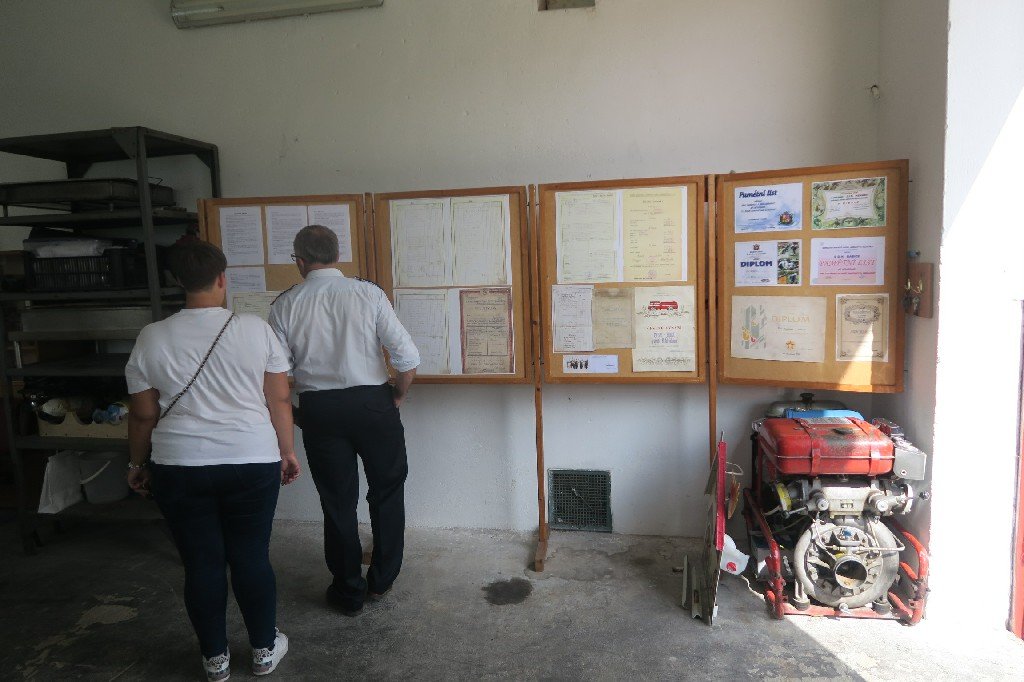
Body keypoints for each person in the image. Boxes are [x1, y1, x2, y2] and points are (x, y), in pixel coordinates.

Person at [125, 241, 301, 681]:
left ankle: (215, 660)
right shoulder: (255, 330)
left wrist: (136, 464)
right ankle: (263, 651)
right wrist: (286, 451)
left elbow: (143, 414)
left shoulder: (151, 336)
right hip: (251, 459)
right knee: (251, 556)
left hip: (179, 464)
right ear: (223, 278)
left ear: (176, 281)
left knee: (202, 562)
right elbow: (278, 398)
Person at [268, 224, 419, 617]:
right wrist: (397, 395)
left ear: (300, 261)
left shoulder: (285, 304)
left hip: (321, 410)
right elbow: (407, 358)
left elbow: (275, 377)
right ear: (337, 256)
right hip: (373, 404)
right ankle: (382, 580)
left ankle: (348, 590)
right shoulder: (368, 293)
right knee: (387, 492)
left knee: (337, 502)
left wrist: (298, 415)